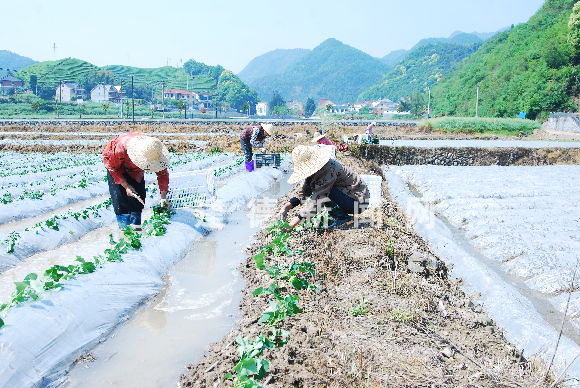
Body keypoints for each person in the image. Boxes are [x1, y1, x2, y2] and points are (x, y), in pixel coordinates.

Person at [279, 145, 369, 229]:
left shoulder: (328, 169)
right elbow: (305, 190)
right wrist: (287, 206)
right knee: (317, 188)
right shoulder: (316, 170)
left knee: (325, 192)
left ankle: (343, 218)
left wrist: (292, 225)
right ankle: (339, 215)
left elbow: (318, 200)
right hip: (348, 196)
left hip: (358, 202)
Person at [103, 132, 170, 230]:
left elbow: (163, 174)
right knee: (120, 200)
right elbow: (113, 167)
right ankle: (124, 231)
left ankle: (136, 229)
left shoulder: (154, 150)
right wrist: (126, 186)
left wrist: (163, 197)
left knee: (138, 199)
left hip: (136, 171)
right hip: (117, 166)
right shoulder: (120, 148)